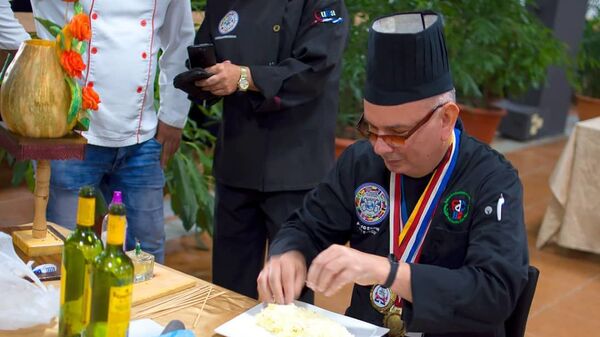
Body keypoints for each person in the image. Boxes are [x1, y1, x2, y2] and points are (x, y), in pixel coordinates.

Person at [257, 11, 529, 337]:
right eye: (371, 129)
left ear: (446, 119)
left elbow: (494, 292)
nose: (380, 148)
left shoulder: (492, 180)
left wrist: (386, 271)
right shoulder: (360, 162)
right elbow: (307, 226)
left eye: (397, 133)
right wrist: (289, 254)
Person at [186, 0, 349, 299]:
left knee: (289, 294)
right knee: (227, 290)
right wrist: (204, 78)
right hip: (237, 161)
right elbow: (204, 53)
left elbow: (315, 67)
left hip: (296, 167)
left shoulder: (322, 3)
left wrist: (246, 77)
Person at [31, 0, 195, 263]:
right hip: (73, 136)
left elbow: (180, 44)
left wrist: (174, 117)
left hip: (141, 139)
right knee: (62, 249)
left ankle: (143, 307)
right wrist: (23, 48)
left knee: (147, 252)